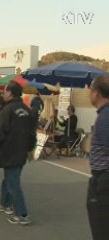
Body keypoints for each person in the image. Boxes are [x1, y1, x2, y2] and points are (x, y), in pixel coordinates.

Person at [0, 81, 36, 225]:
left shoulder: (7, 110)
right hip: (21, 151)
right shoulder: (26, 110)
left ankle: (22, 214)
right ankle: (4, 203)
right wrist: (30, 149)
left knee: (13, 182)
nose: (4, 93)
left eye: (5, 91)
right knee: (10, 177)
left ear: (10, 93)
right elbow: (32, 133)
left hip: (9, 150)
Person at [87, 75, 109, 240]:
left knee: (101, 229)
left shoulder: (105, 118)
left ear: (97, 93)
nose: (89, 93)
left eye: (91, 90)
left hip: (104, 181)